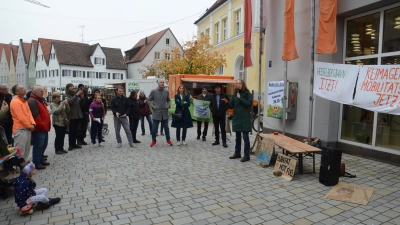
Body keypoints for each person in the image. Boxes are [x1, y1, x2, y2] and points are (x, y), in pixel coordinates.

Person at [223, 79, 252, 162]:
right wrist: (226, 102)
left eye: (239, 83)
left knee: (245, 138)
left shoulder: (247, 93)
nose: (238, 85)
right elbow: (231, 105)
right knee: (237, 137)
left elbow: (249, 104)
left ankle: (247, 155)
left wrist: (240, 98)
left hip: (245, 118)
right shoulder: (235, 94)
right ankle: (237, 153)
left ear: (243, 84)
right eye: (237, 83)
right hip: (237, 118)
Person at [28, 85, 51, 169]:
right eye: (41, 91)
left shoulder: (40, 100)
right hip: (39, 128)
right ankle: (36, 162)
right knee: (38, 146)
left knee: (43, 145)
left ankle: (41, 160)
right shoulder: (33, 101)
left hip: (44, 128)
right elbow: (35, 115)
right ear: (35, 92)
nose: (43, 92)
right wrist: (42, 125)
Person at [10, 84, 35, 162]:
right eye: (21, 88)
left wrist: (33, 124)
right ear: (17, 92)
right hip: (20, 129)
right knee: (20, 151)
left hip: (27, 128)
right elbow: (21, 117)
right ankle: (19, 167)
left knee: (27, 150)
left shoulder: (24, 101)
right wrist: (29, 125)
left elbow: (29, 114)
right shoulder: (15, 102)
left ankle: (25, 167)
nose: (24, 89)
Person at [147, 78, 173, 147]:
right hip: (156, 112)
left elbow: (168, 100)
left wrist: (168, 105)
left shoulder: (166, 91)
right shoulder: (153, 91)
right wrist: (152, 106)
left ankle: (168, 140)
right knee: (154, 128)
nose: (162, 83)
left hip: (164, 112)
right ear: (158, 83)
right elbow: (148, 100)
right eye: (161, 82)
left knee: (166, 128)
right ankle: (153, 140)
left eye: (163, 82)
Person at [65, 83, 84, 151]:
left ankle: (74, 143)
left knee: (76, 131)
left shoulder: (75, 94)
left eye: (73, 86)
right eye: (71, 86)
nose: (72, 87)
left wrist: (82, 98)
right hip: (71, 116)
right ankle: (70, 145)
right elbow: (70, 102)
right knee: (71, 131)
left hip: (77, 115)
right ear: (67, 88)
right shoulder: (66, 95)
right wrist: (77, 95)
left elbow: (80, 104)